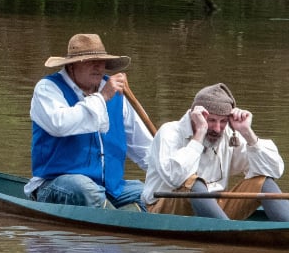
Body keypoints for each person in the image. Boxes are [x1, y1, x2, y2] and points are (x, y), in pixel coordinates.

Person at [28, 33, 153, 208]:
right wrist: (102, 97)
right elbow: (60, 125)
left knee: (150, 194)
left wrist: (171, 176)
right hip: (56, 184)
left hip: (110, 188)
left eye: (101, 61)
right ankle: (120, 222)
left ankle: (127, 218)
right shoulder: (47, 88)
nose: (97, 67)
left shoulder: (117, 93)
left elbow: (144, 148)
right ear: (71, 66)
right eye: (89, 61)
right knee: (85, 189)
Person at [142, 83, 289, 221]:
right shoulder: (170, 132)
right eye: (211, 120)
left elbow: (274, 171)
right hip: (164, 208)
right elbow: (175, 177)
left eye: (223, 121)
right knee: (193, 183)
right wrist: (199, 133)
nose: (217, 129)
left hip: (214, 207)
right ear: (196, 116)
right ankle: (228, 235)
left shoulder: (228, 135)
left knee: (263, 181)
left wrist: (247, 133)